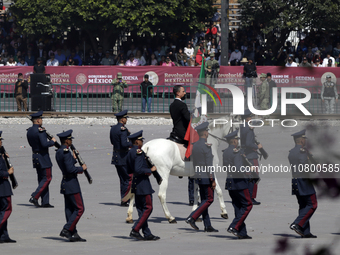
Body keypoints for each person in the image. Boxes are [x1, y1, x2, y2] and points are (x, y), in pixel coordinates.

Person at [127, 130, 160, 241]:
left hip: (136, 183)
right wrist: (150, 170)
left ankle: (147, 233)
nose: (142, 142)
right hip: (143, 185)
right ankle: (135, 230)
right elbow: (138, 169)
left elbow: (129, 169)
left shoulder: (131, 152)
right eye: (141, 140)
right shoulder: (138, 152)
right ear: (137, 141)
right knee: (148, 208)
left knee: (141, 210)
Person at [185, 122, 217, 232]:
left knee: (204, 200)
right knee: (209, 199)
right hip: (206, 176)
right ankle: (192, 217)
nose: (208, 132)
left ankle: (207, 225)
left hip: (198, 175)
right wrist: (212, 179)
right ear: (204, 132)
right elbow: (209, 165)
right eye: (207, 131)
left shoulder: (195, 145)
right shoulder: (206, 146)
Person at [56, 130, 87, 242]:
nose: (71, 141)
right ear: (67, 140)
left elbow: (67, 164)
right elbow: (70, 169)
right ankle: (67, 229)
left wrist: (73, 159)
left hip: (66, 183)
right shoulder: (65, 152)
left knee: (70, 209)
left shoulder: (60, 151)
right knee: (80, 208)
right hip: (71, 184)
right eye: (70, 139)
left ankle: (73, 233)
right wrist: (81, 169)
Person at [224, 130, 253, 239]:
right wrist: (248, 169)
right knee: (248, 204)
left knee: (238, 206)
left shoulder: (226, 152)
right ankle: (234, 226)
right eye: (237, 140)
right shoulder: (237, 152)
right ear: (235, 141)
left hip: (230, 181)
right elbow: (238, 168)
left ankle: (241, 232)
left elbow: (225, 167)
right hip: (239, 182)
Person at [288, 130, 317, 238]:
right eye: (304, 139)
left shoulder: (291, 152)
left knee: (304, 206)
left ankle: (305, 231)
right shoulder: (302, 152)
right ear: (301, 140)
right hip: (304, 181)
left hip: (295, 180)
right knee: (313, 204)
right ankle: (297, 224)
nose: (305, 141)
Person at [26, 111, 56, 208]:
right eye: (41, 119)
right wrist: (52, 142)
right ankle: (35, 196)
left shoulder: (29, 131)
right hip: (43, 157)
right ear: (38, 120)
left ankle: (45, 201)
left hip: (35, 156)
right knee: (47, 178)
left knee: (41, 179)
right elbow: (44, 144)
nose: (42, 120)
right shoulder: (40, 131)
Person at [110, 110, 132, 206]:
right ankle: (125, 199)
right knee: (128, 178)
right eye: (126, 118)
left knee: (122, 179)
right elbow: (124, 144)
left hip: (116, 156)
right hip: (123, 157)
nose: (126, 120)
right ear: (122, 119)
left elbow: (112, 141)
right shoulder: (122, 129)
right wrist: (133, 143)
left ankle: (124, 199)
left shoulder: (113, 128)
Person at [240, 109, 262, 205]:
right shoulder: (248, 129)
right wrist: (257, 147)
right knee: (254, 176)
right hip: (251, 155)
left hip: (244, 154)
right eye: (251, 116)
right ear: (247, 118)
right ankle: (251, 197)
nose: (251, 118)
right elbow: (249, 143)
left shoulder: (242, 127)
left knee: (247, 175)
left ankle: (246, 196)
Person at [0, 131, 16, 243]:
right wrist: (8, 173)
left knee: (1, 212)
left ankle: (3, 236)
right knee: (6, 209)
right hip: (2, 188)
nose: (1, 142)